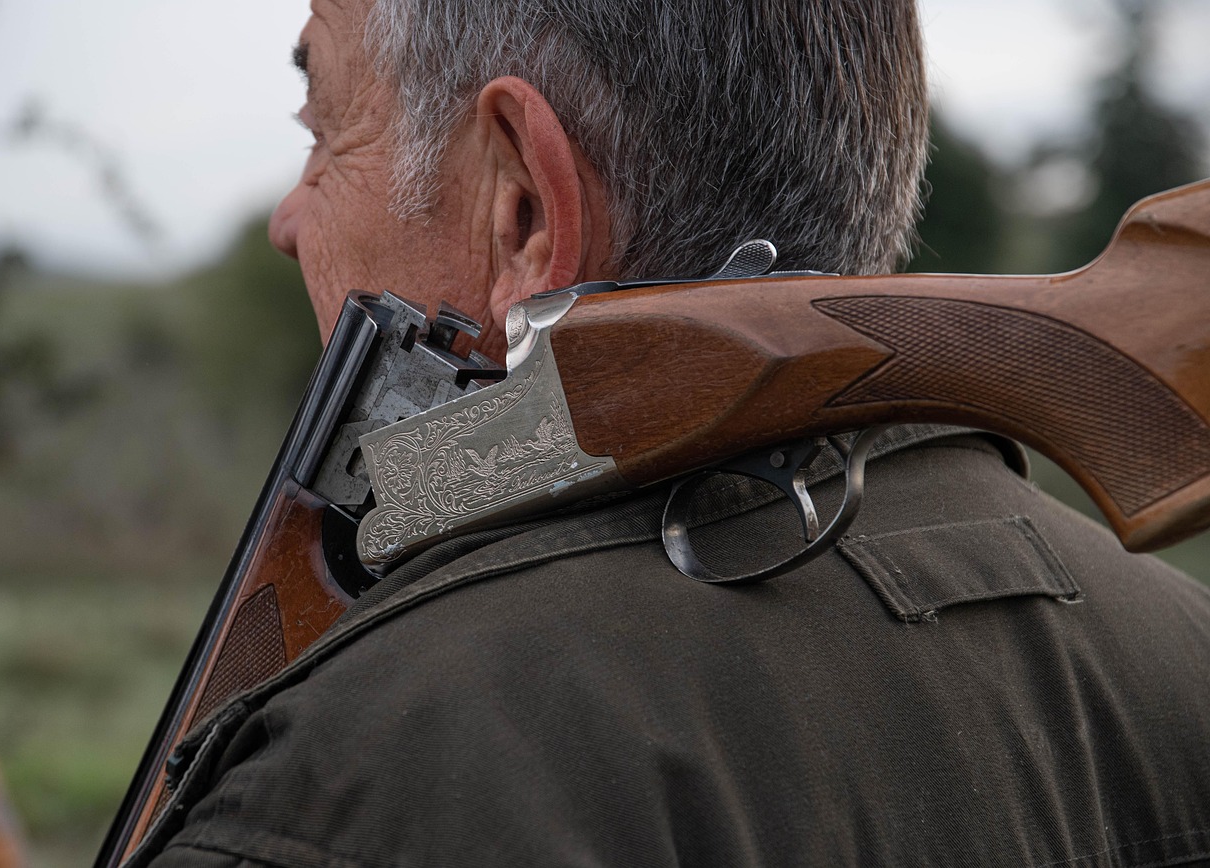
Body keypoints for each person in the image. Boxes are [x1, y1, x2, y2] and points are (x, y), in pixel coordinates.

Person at [136, 0, 1210, 865]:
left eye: (324, 132)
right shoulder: (1183, 646)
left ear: (522, 211)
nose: (286, 219)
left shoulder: (348, 782)